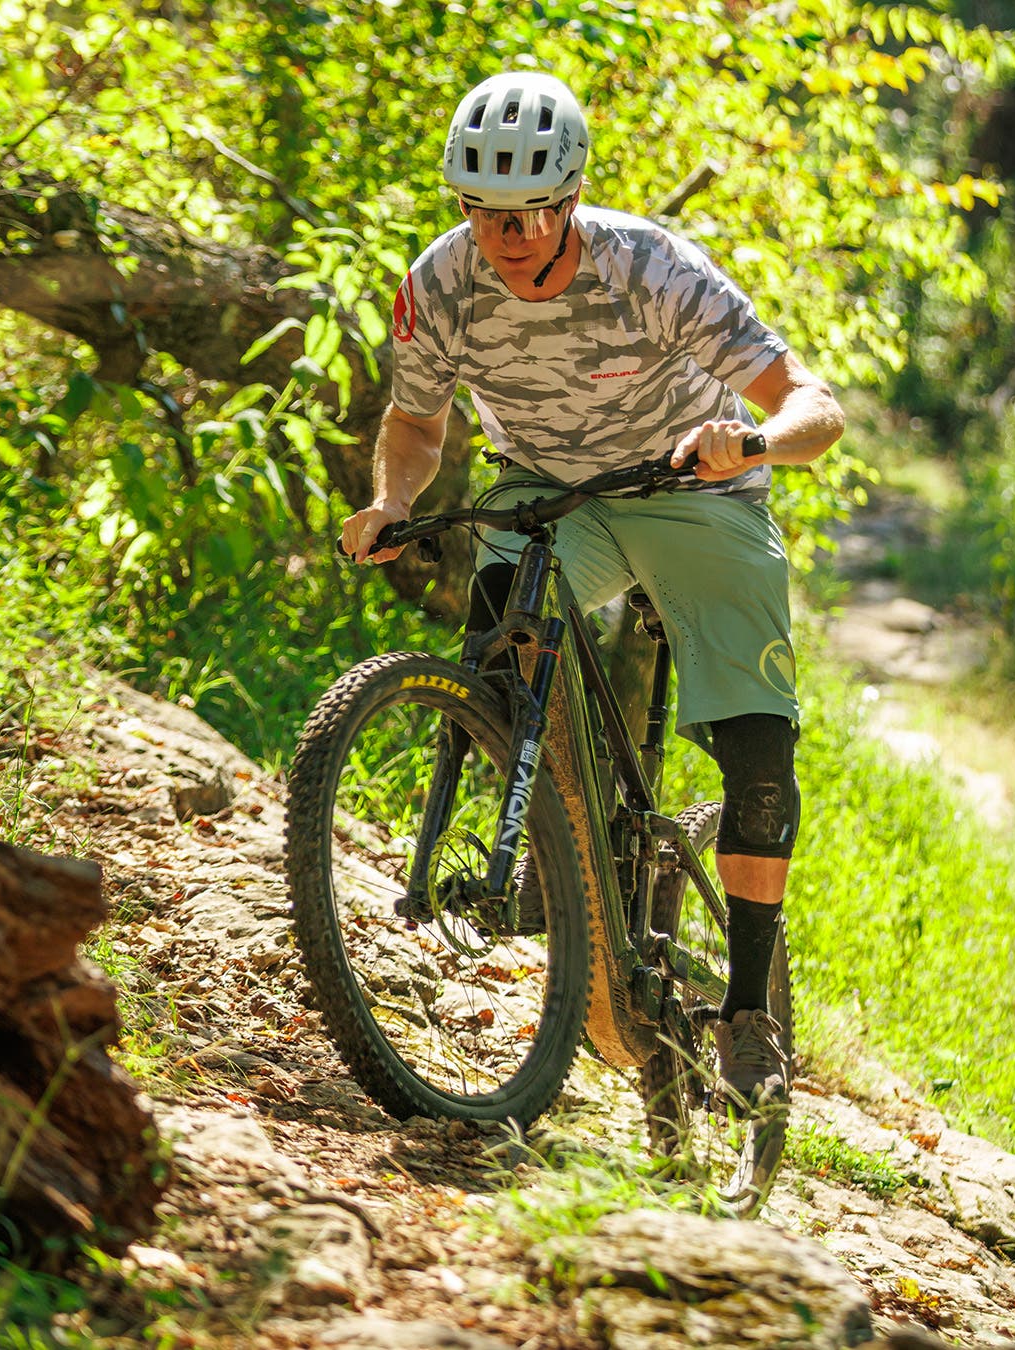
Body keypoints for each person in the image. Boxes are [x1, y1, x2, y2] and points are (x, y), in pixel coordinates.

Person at [338, 69, 847, 1114]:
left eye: (528, 211)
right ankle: (557, 850)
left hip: (689, 491)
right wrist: (390, 500)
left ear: (570, 198)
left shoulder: (650, 266)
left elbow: (814, 406)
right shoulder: (440, 284)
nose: (508, 234)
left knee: (757, 752)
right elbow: (418, 424)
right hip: (546, 493)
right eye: (484, 211)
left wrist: (749, 439)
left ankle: (750, 1014)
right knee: (497, 649)